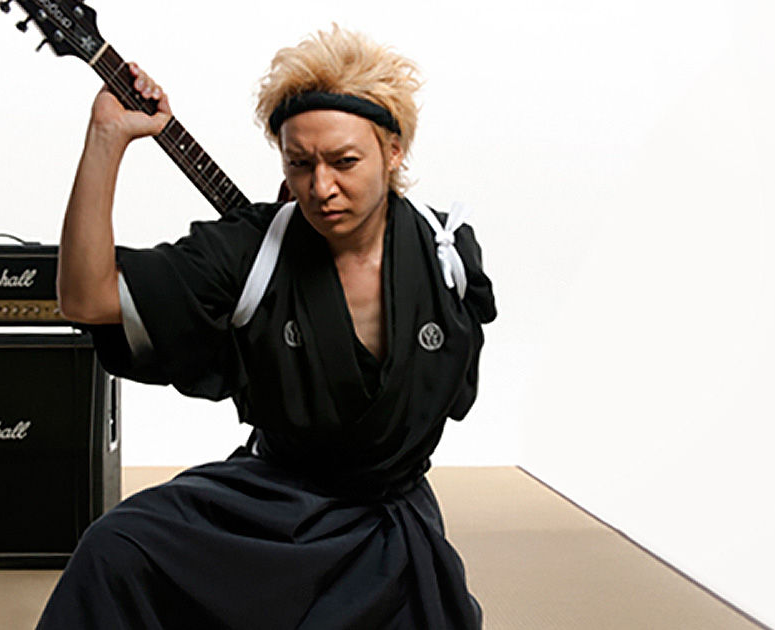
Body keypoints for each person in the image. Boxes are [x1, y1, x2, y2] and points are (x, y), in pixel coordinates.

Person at [38, 24, 496, 630]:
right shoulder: (253, 250)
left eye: (344, 161)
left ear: (394, 151)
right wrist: (107, 138)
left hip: (391, 527)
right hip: (277, 506)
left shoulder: (445, 256)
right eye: (299, 164)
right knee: (114, 549)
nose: (321, 188)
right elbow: (86, 298)